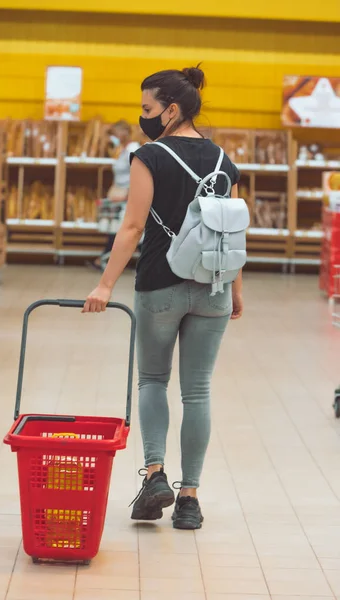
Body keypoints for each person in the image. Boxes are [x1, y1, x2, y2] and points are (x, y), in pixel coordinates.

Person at [83, 65, 243, 530]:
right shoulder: (223, 161)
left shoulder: (149, 155)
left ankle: (156, 475)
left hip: (160, 283)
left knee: (153, 381)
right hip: (212, 286)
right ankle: (190, 499)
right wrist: (235, 290)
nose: (143, 117)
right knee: (198, 392)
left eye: (148, 108)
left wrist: (105, 284)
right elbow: (229, 231)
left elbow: (132, 227)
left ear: (171, 110)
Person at [91, 120, 140, 270]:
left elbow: (137, 174)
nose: (114, 137)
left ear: (124, 133)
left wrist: (128, 195)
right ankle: (107, 259)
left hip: (127, 196)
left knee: (120, 230)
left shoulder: (133, 149)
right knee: (116, 229)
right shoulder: (122, 150)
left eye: (115, 134)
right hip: (118, 194)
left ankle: (107, 259)